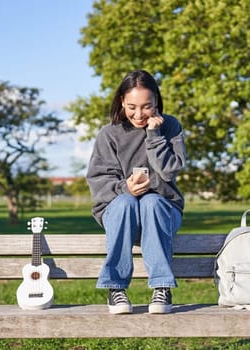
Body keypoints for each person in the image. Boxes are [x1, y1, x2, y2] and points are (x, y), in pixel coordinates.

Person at [85, 70, 186, 314]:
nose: (139, 114)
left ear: (156, 102)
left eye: (146, 106)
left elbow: (169, 173)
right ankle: (116, 288)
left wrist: (153, 136)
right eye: (132, 107)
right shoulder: (109, 134)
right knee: (127, 202)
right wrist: (124, 188)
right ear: (121, 101)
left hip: (162, 211)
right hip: (120, 212)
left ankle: (162, 287)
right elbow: (98, 181)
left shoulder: (170, 126)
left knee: (150, 201)